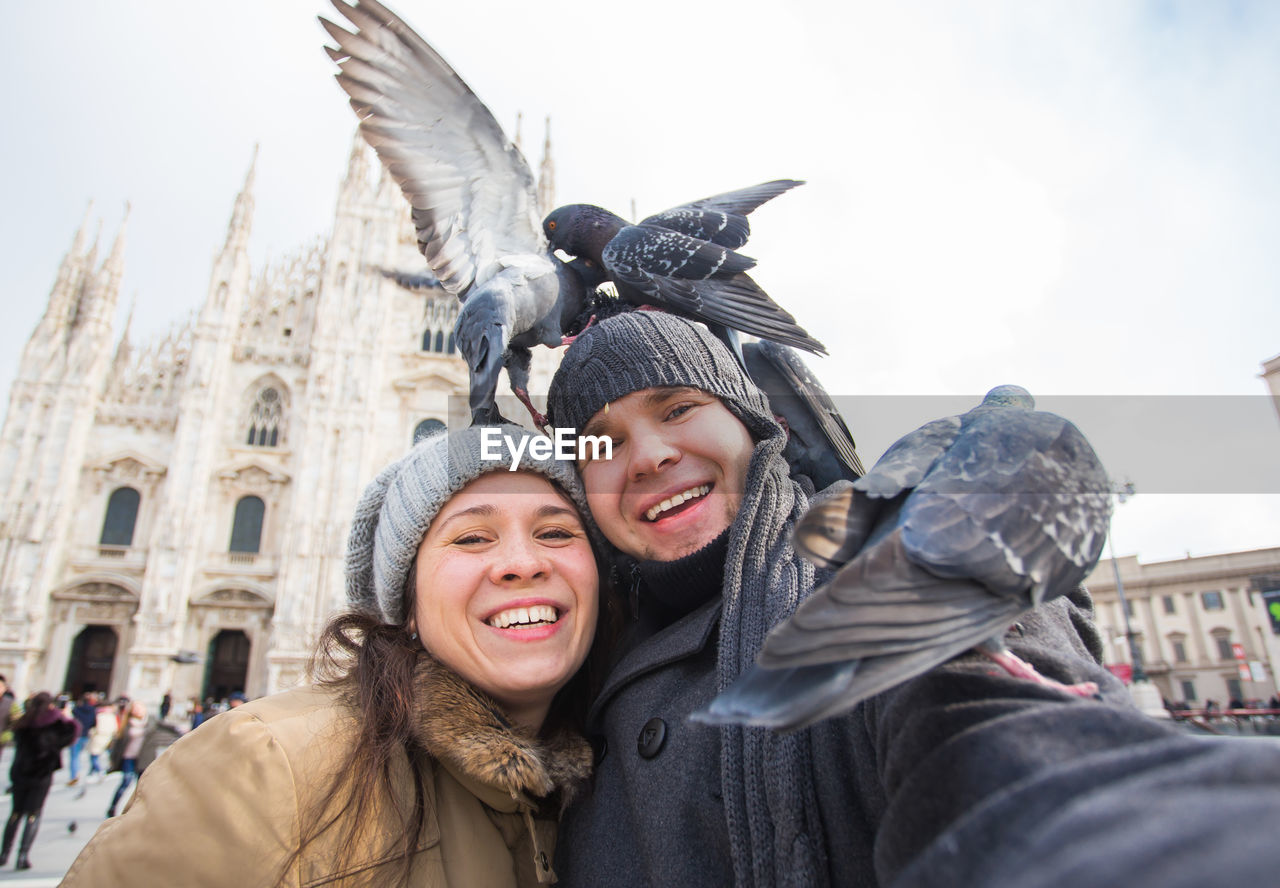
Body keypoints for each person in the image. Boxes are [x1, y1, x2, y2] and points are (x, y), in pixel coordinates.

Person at [544, 311, 1280, 888]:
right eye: (601, 444)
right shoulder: (576, 660)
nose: (647, 456)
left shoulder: (882, 547)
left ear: (753, 419)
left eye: (676, 409)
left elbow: (997, 739)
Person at [62, 425, 610, 887]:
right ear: (406, 603)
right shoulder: (267, 769)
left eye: (557, 531)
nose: (523, 563)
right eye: (470, 538)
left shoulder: (610, 783)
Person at [2, 691, 78, 870]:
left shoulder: (24, 722)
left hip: (20, 772)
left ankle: (4, 854)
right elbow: (71, 733)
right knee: (33, 814)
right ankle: (22, 856)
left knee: (15, 813)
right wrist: (66, 717)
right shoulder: (54, 723)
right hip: (42, 774)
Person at [106, 700, 149, 818]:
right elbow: (118, 743)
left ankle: (137, 811)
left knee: (142, 786)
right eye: (135, 708)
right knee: (126, 781)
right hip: (128, 757)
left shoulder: (151, 723)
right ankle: (113, 806)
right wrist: (113, 759)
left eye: (140, 708)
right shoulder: (127, 723)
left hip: (143, 759)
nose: (138, 710)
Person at [67, 692, 98, 786]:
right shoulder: (93, 710)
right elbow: (94, 723)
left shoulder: (76, 709)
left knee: (74, 756)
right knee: (78, 755)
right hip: (85, 735)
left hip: (76, 735)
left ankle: (74, 775)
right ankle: (77, 773)